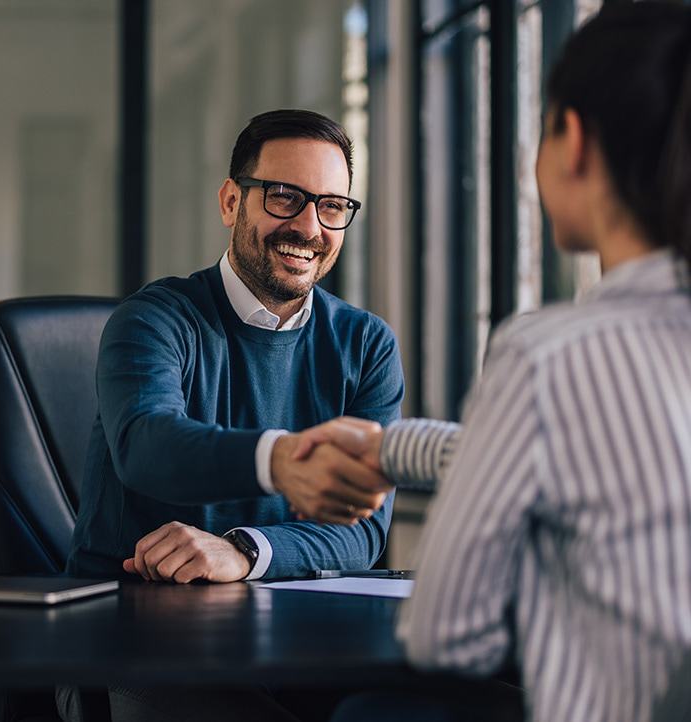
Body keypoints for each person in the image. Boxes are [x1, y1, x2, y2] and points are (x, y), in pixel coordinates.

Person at [294, 4, 691, 722]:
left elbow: (450, 633)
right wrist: (393, 448)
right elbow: (613, 458)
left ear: (572, 140)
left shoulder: (550, 356)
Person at [59, 108, 404, 721]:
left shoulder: (367, 344)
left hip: (294, 644)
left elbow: (365, 529)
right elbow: (147, 445)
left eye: (331, 206)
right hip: (132, 646)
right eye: (283, 197)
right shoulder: (154, 320)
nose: (308, 226)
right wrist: (281, 463)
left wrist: (245, 552)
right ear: (230, 202)